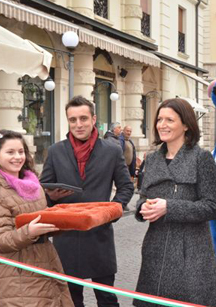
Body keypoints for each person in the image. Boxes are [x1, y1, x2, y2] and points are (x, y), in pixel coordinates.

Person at [40, 96, 134, 307]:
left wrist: (111, 212)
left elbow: (126, 187)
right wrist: (50, 197)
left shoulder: (111, 151)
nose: (78, 124)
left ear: (93, 119)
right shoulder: (56, 151)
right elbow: (43, 188)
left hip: (99, 236)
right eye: (72, 120)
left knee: (107, 299)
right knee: (71, 301)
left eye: (83, 118)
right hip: (66, 238)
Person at [134, 98, 216, 307]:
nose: (162, 125)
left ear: (185, 125)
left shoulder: (202, 158)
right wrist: (143, 208)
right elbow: (142, 197)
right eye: (159, 119)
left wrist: (169, 207)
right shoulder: (153, 158)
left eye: (169, 120)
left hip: (191, 251)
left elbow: (213, 207)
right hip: (155, 249)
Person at [0, 130, 73, 306]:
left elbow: (40, 218)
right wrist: (29, 232)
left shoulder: (32, 183)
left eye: (21, 152)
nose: (17, 157)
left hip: (46, 262)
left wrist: (60, 221)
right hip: (18, 272)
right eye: (10, 152)